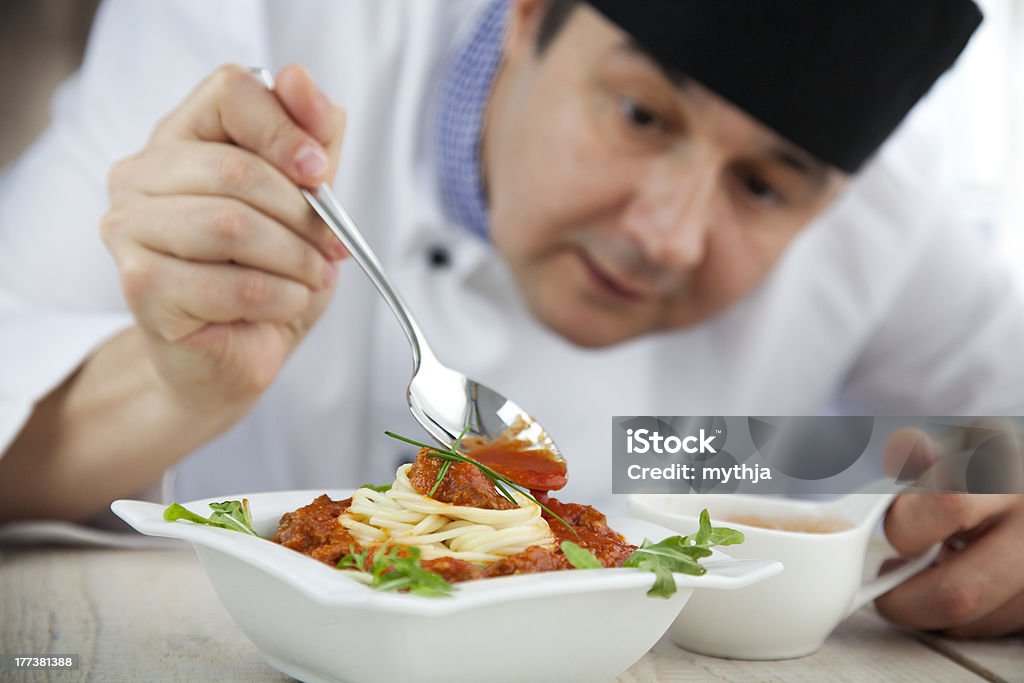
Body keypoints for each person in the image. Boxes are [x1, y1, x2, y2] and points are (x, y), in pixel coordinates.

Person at [0, 0, 1021, 638]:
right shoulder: (254, 31)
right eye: (639, 114)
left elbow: (999, 438)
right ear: (528, 17)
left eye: (762, 186)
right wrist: (174, 380)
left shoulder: (892, 220)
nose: (666, 236)